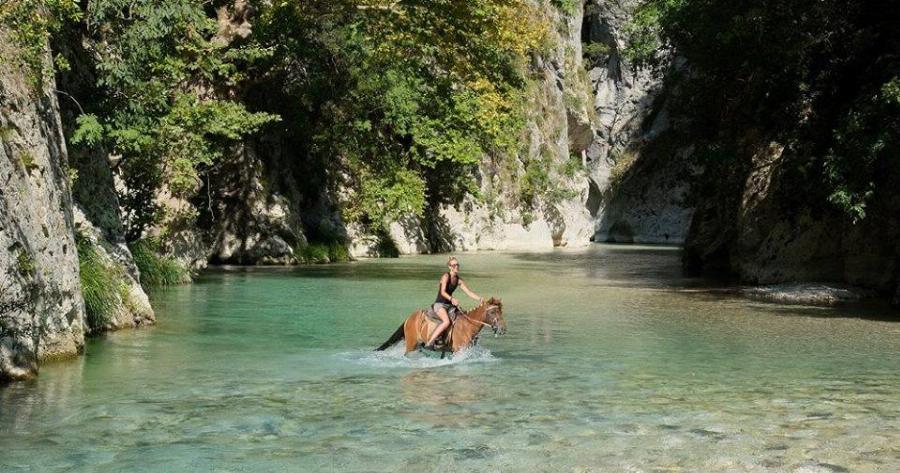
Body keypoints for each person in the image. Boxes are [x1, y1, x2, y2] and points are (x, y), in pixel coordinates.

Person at [425, 256, 483, 349]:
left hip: (450, 306)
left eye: (457, 265)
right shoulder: (445, 276)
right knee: (446, 321)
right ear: (450, 267)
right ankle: (430, 342)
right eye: (454, 265)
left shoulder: (458, 280)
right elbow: (442, 292)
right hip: (439, 305)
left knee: (463, 317)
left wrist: (480, 299)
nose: (456, 267)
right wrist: (452, 299)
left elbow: (469, 292)